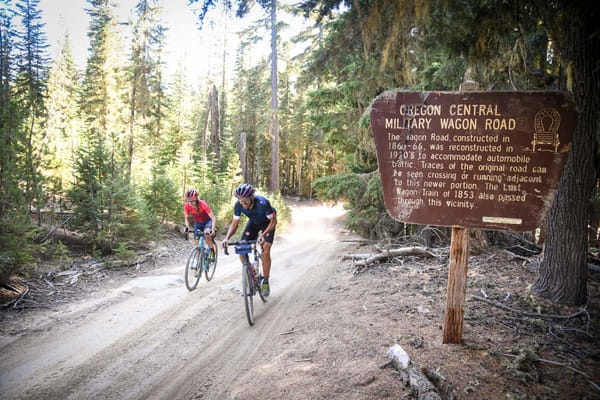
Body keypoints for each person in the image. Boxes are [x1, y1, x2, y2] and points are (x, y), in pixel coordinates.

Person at [222, 183, 277, 296]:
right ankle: (251, 273)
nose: (243, 203)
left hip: (268, 224)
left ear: (251, 197)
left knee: (265, 250)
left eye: (245, 200)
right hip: (254, 223)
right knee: (242, 250)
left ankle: (265, 281)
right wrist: (227, 238)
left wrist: (263, 235)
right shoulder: (239, 205)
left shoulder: (262, 202)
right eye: (240, 200)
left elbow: (274, 222)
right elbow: (234, 224)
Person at [184, 188, 217, 257]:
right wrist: (187, 227)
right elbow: (186, 218)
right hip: (198, 223)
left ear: (196, 199)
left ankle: (212, 253)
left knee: (207, 235)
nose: (191, 203)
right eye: (189, 201)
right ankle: (197, 264)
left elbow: (213, 218)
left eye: (192, 201)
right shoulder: (187, 206)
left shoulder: (203, 204)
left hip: (207, 222)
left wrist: (213, 229)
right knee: (196, 243)